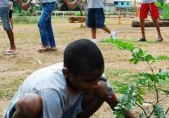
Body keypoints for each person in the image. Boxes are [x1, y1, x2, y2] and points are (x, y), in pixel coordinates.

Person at [4, 39, 134, 118]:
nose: (94, 84)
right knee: (31, 103)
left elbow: (116, 104)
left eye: (98, 77)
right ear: (67, 73)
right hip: (33, 113)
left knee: (102, 89)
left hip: (61, 110)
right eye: (88, 81)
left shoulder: (91, 74)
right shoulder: (51, 90)